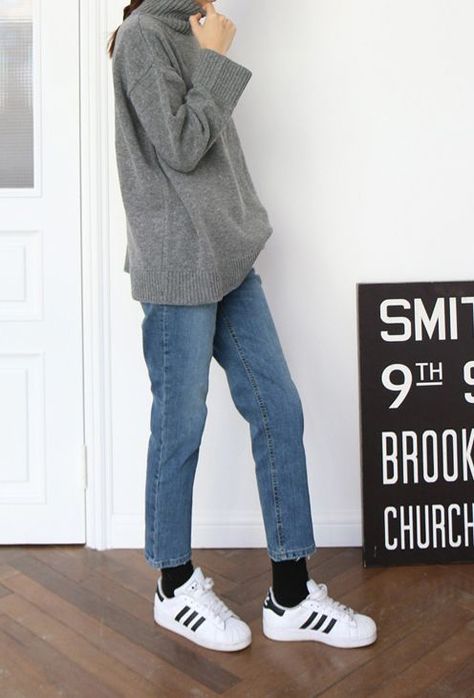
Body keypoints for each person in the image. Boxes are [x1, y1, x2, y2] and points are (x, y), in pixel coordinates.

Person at [108, 0, 377, 653]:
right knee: (180, 428)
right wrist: (217, 61)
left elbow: (209, 154)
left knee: (278, 410)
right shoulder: (144, 37)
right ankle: (173, 586)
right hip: (179, 271)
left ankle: (289, 594)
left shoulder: (196, 26)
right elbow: (180, 147)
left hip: (228, 260)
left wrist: (210, 54)